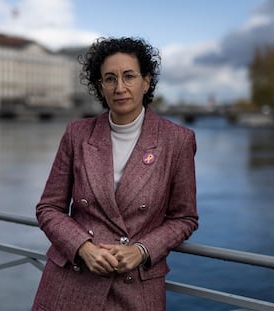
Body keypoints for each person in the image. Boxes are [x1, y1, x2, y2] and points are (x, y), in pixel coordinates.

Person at [32, 37, 198, 311]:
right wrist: (83, 248)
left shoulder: (177, 140)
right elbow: (48, 207)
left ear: (146, 81)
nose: (120, 88)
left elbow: (184, 217)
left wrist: (142, 251)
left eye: (129, 76)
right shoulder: (77, 134)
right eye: (110, 79)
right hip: (71, 281)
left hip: (135, 288)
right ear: (100, 87)